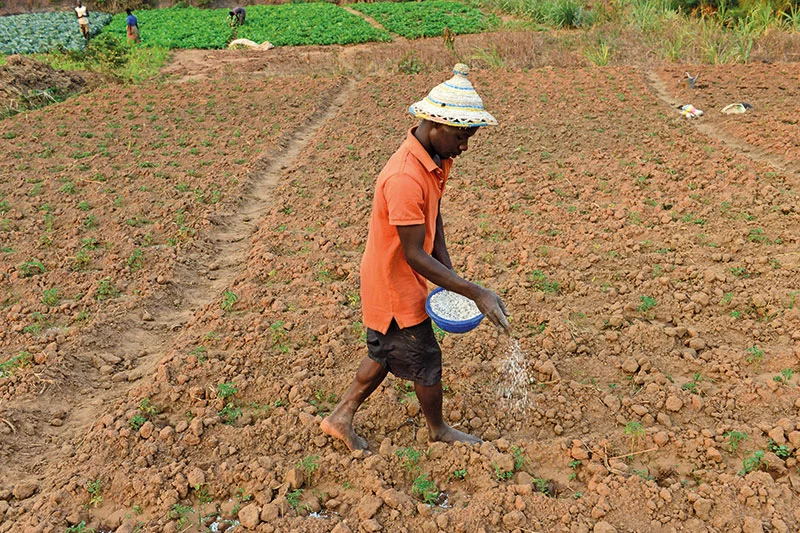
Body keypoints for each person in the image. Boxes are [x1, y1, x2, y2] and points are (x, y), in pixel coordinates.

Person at [321, 63, 510, 453]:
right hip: (393, 282)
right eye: (462, 135)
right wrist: (476, 292)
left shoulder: (435, 161)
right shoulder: (405, 177)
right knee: (425, 359)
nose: (465, 146)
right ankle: (438, 429)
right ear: (436, 125)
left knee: (384, 351)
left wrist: (450, 273)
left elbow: (433, 215)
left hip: (400, 274)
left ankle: (341, 416)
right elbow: (412, 254)